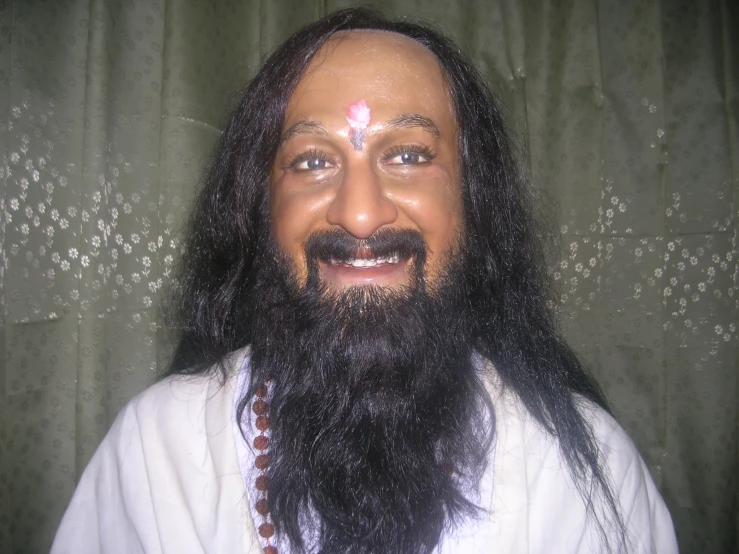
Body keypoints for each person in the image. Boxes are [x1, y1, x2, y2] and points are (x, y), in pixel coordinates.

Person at [51, 8, 677, 554]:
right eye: (313, 160)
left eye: (408, 155)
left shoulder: (581, 470)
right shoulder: (159, 453)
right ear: (261, 206)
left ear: (472, 199)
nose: (359, 212)